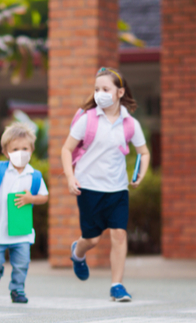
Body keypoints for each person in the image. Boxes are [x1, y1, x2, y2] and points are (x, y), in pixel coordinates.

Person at [61, 67, 150, 302]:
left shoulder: (130, 123)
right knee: (92, 239)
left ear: (120, 92)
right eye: (97, 89)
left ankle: (117, 285)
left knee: (119, 235)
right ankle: (77, 253)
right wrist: (71, 178)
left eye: (106, 89)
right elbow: (66, 149)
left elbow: (144, 152)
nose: (100, 93)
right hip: (89, 187)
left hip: (118, 189)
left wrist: (141, 173)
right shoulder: (87, 119)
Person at [0, 123, 49, 304]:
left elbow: (44, 196)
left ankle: (17, 289)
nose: (21, 152)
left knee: (22, 264)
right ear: (6, 151)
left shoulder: (34, 175)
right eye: (15, 149)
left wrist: (31, 199)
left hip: (22, 231)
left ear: (32, 150)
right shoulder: (0, 171)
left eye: (25, 148)